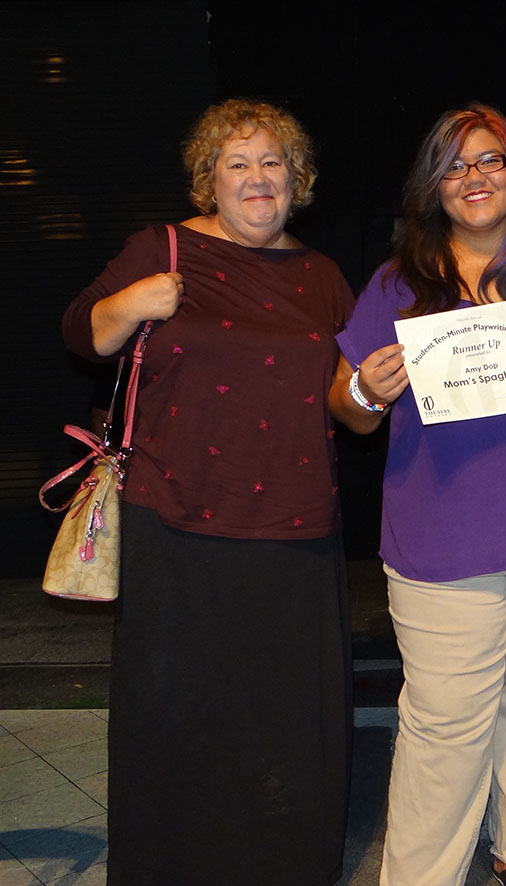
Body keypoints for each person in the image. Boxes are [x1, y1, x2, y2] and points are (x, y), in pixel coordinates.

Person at [62, 98, 355, 886]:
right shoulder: (159, 250)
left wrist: (372, 389)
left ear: (298, 181)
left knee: (285, 721)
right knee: (177, 715)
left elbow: (346, 400)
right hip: (175, 523)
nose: (258, 179)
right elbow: (81, 333)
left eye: (273, 164)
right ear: (210, 181)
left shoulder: (323, 277)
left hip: (296, 528)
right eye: (239, 164)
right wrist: (132, 304)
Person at [329, 104, 506, 886]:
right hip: (442, 549)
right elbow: (346, 411)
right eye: (454, 167)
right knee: (443, 730)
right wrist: (366, 387)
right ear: (434, 187)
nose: (474, 178)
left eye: (489, 160)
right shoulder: (398, 284)